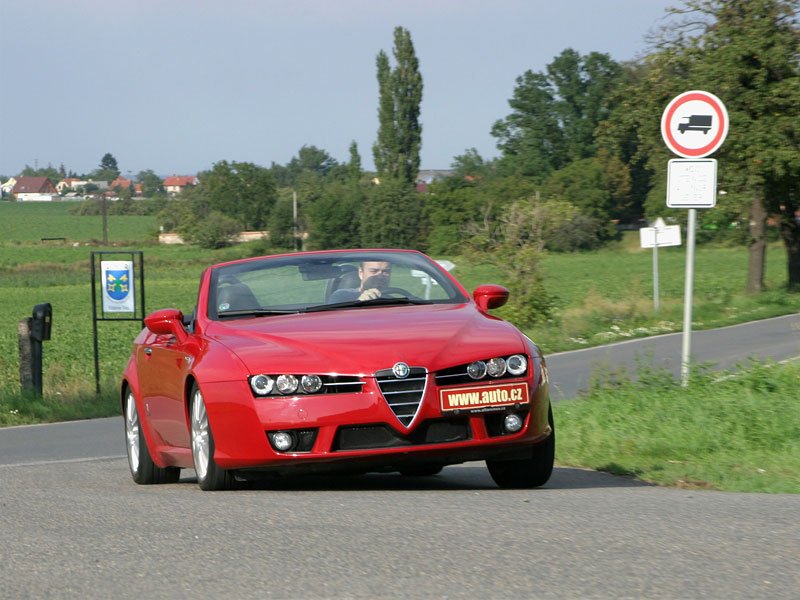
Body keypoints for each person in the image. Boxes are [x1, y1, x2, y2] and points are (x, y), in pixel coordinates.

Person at [328, 261, 392, 303]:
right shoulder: (342, 296)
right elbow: (334, 321)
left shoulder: (392, 300)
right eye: (373, 271)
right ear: (361, 273)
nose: (380, 276)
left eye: (386, 272)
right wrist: (359, 303)